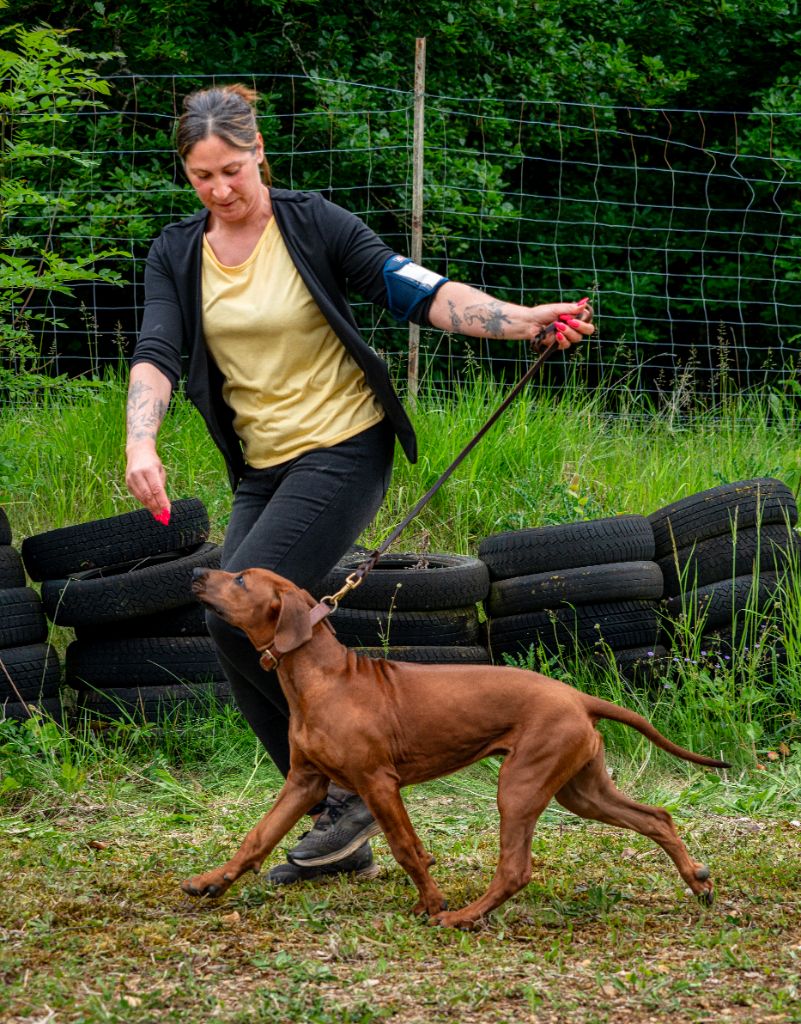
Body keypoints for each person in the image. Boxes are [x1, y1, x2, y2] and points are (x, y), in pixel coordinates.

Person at [125, 83, 595, 885]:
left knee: (251, 614)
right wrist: (142, 438)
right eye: (202, 176)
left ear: (259, 152)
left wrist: (516, 320)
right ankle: (335, 803)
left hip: (343, 449)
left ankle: (338, 804)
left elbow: (414, 289)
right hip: (262, 466)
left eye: (232, 170)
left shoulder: (313, 223)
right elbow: (156, 347)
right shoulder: (177, 251)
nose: (221, 189)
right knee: (225, 622)